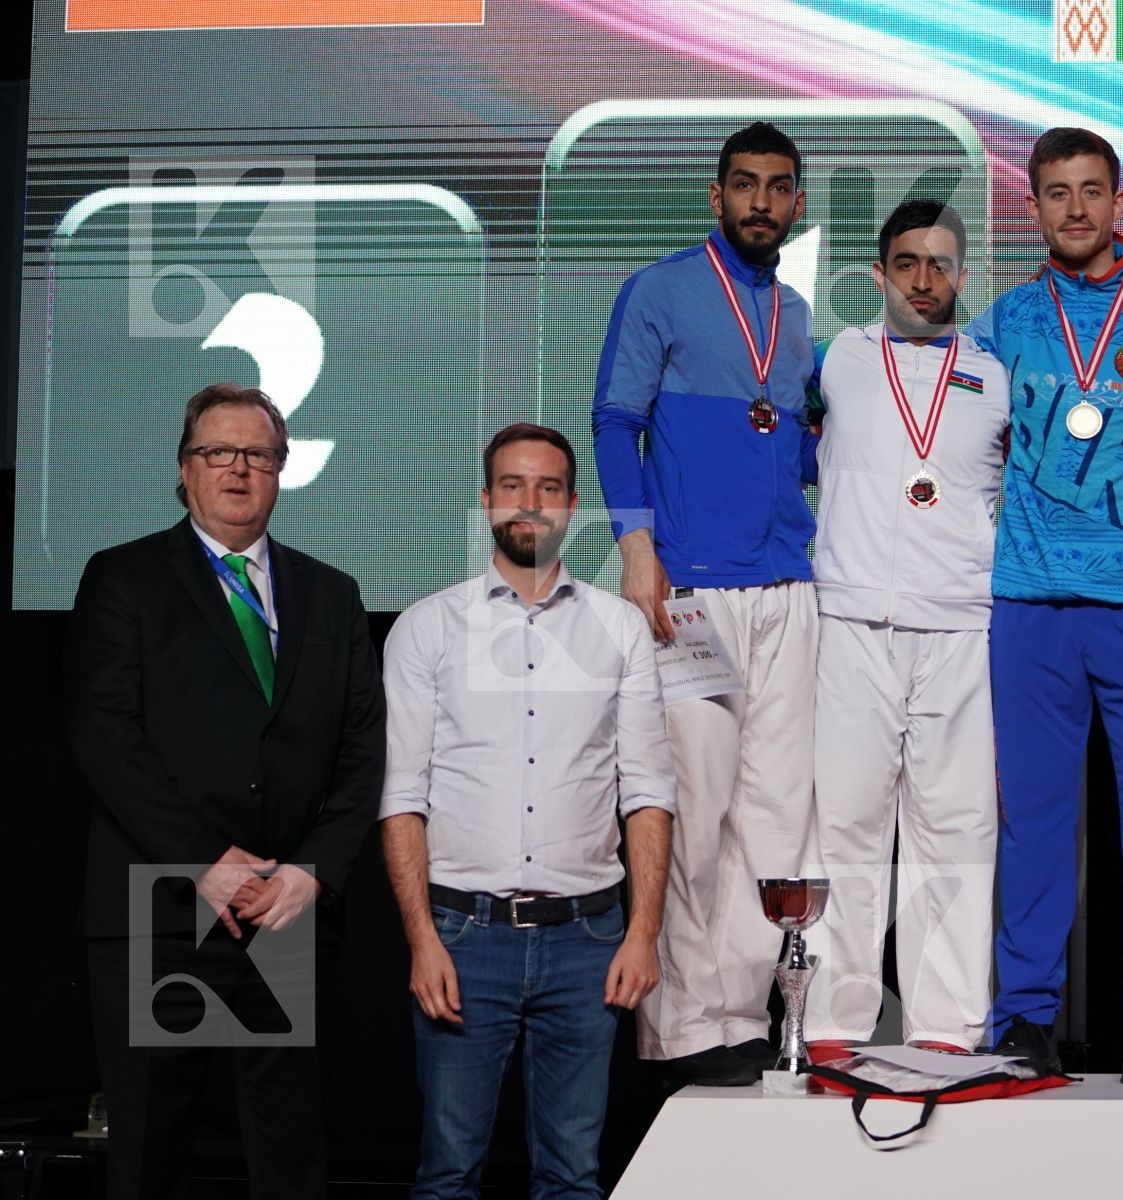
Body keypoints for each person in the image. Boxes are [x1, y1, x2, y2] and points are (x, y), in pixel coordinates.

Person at [66, 382, 385, 1200]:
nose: (238, 469)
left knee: (289, 1161)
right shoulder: (123, 578)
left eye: (258, 455)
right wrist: (202, 861)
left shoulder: (332, 595)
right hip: (161, 905)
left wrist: (312, 870)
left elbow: (360, 754)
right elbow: (107, 739)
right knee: (151, 1154)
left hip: (286, 910)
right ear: (185, 469)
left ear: (282, 472)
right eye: (218, 452)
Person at [967, 127, 1123, 1084]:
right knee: (1032, 818)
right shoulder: (1003, 321)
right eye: (1056, 193)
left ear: (1118, 203)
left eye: (1091, 190)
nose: (1075, 208)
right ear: (1034, 207)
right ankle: (1025, 1013)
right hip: (1028, 600)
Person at [380, 423, 674, 1199]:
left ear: (573, 506)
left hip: (587, 942)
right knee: (447, 1174)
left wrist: (643, 934)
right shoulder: (426, 628)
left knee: (573, 1176)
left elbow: (647, 791)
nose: (529, 504)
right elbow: (403, 797)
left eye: (547, 489)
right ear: (485, 502)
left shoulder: (618, 628)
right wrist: (421, 941)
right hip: (463, 939)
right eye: (512, 486)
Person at [591, 120, 817, 1086]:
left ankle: (742, 1016)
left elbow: (799, 447)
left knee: (775, 815)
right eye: (744, 185)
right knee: (696, 805)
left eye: (777, 187)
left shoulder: (800, 311)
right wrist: (637, 546)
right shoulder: (662, 288)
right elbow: (614, 420)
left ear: (797, 204)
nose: (760, 201)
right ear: (716, 197)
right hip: (691, 589)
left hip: (788, 586)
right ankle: (682, 1026)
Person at [806, 199, 1010, 1054]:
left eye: (941, 264)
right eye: (907, 264)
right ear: (879, 272)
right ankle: (831, 1022)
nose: (925, 281)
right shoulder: (837, 360)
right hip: (851, 618)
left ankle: (948, 1027)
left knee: (956, 829)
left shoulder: (997, 371)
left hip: (962, 623)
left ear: (962, 274)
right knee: (846, 824)